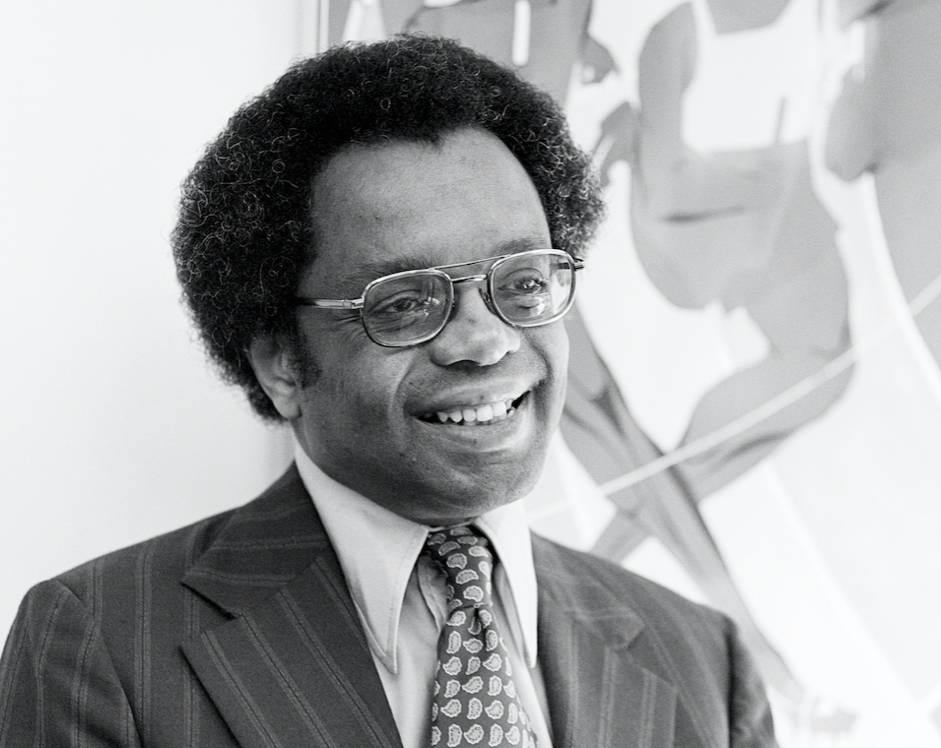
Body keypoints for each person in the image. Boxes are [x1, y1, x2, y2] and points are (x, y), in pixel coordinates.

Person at [0, 35, 777, 748]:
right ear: (280, 361)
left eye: (525, 282)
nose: (487, 339)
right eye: (407, 302)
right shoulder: (100, 644)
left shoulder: (704, 663)